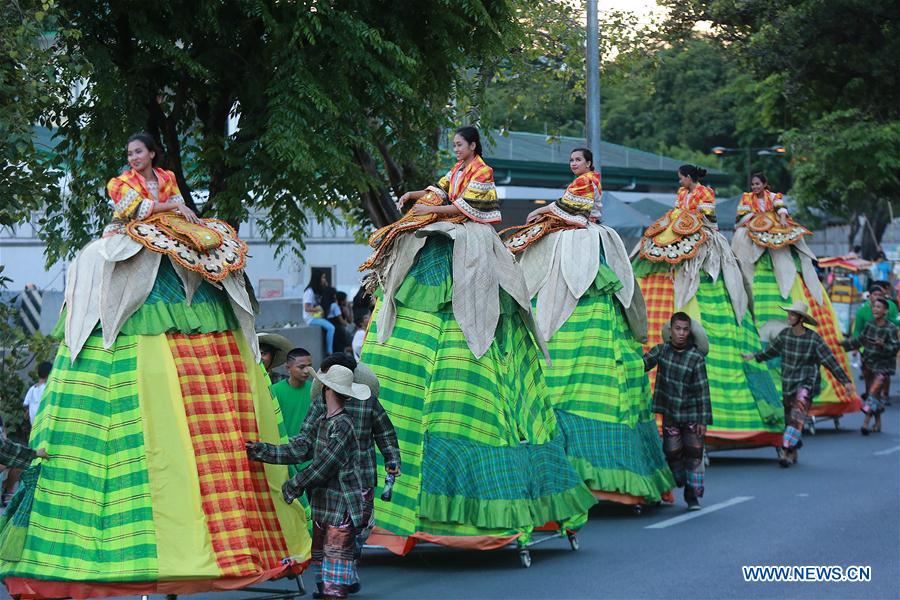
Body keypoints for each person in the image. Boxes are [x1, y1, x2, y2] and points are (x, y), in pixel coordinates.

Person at [0, 133, 308, 597]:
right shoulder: (120, 183)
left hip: (177, 258)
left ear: (153, 155)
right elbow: (136, 213)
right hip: (134, 255)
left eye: (138, 152)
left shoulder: (164, 178)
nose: (133, 158)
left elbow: (182, 211)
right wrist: (170, 212)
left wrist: (177, 214)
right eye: (129, 153)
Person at [358, 126, 595, 554]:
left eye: (459, 143)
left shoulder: (483, 172)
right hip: (441, 244)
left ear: (473, 146)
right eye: (453, 145)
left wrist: (431, 210)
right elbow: (441, 190)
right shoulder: (459, 169)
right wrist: (417, 196)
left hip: (472, 247)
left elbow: (466, 208)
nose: (455, 148)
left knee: (480, 321)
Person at [501, 148, 674, 508]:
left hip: (583, 241)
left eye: (578, 160)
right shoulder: (579, 183)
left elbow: (571, 210)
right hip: (566, 240)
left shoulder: (587, 182)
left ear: (590, 164)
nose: (573, 165)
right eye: (571, 161)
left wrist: (543, 211)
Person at [633, 165, 782, 449]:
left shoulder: (705, 192)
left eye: (682, 177)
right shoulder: (683, 193)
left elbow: (708, 217)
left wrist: (689, 221)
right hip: (675, 239)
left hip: (703, 245)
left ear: (691, 178)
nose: (680, 181)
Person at [732, 172, 858, 419]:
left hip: (777, 240)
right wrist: (750, 221)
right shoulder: (747, 198)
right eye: (753, 184)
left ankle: (793, 434)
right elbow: (741, 217)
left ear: (766, 184)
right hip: (752, 239)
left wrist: (781, 219)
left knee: (797, 411)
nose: (755, 187)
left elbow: (781, 210)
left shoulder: (774, 197)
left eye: (758, 183)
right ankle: (790, 431)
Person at [247, 365, 367, 600]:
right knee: (325, 581)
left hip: (340, 507)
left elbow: (324, 465)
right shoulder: (325, 420)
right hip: (325, 506)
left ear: (326, 389)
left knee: (333, 584)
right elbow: (301, 448)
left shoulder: (343, 425)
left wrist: (295, 484)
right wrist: (262, 451)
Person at [300, 352, 399, 596]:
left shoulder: (368, 402)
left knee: (354, 529)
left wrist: (392, 459)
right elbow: (306, 436)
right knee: (328, 532)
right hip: (329, 478)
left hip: (359, 477)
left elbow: (384, 433)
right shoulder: (321, 403)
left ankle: (341, 577)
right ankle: (331, 584)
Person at [743, 301, 854, 467]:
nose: (789, 317)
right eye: (789, 314)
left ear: (801, 319)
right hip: (788, 384)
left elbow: (830, 361)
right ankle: (793, 450)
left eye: (793, 314)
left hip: (806, 384)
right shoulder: (785, 335)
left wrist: (845, 381)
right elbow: (771, 351)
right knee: (791, 420)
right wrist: (754, 356)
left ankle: (786, 451)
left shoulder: (814, 339)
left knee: (797, 416)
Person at [643, 313, 711, 511]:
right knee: (671, 451)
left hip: (692, 415)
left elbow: (702, 390)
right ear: (671, 331)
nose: (681, 333)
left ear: (689, 333)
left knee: (695, 455)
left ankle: (692, 497)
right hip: (671, 413)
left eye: (685, 329)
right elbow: (643, 363)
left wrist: (703, 419)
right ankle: (678, 477)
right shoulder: (662, 351)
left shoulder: (695, 358)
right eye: (678, 329)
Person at [841, 298, 899, 434]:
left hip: (883, 367)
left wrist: (883, 345)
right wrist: (841, 344)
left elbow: (895, 348)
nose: (875, 309)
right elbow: (859, 340)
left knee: (872, 393)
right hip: (868, 365)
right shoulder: (869, 325)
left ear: (885, 311)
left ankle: (865, 424)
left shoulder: (891, 329)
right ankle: (878, 423)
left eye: (879, 307)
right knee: (874, 395)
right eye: (874, 307)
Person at [271, 348, 314, 441]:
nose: (306, 371)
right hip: (282, 447)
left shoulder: (315, 390)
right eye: (301, 367)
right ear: (288, 368)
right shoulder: (275, 391)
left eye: (309, 366)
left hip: (308, 446)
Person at [304, 272, 335, 354]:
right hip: (310, 318)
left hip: (316, 317)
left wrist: (326, 285)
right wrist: (318, 310)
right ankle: (329, 351)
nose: (324, 279)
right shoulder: (309, 291)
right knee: (331, 328)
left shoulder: (316, 290)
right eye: (323, 278)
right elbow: (306, 308)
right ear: (318, 279)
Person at [22, 361, 52, 426]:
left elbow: (25, 404)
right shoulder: (48, 388)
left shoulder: (32, 388)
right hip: (44, 422)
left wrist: (29, 410)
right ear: (50, 374)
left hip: (33, 423)